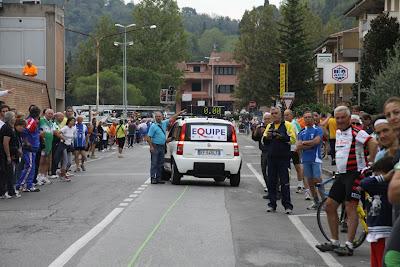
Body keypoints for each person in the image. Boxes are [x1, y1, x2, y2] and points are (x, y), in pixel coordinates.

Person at [316, 106, 378, 256]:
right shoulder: (338, 132)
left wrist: (370, 162)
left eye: (343, 117)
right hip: (342, 175)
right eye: (337, 118)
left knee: (351, 208)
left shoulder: (357, 132)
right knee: (330, 206)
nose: (340, 120)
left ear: (349, 118)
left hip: (355, 174)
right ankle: (335, 242)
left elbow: (373, 144)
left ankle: (349, 245)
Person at [360, 156, 394, 267]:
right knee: (375, 258)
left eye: (377, 174)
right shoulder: (378, 184)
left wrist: (384, 178)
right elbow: (365, 182)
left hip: (383, 229)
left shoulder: (385, 185)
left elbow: (365, 183)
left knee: (381, 259)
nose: (375, 177)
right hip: (374, 227)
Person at [262, 107, 296, 214]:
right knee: (271, 182)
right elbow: (264, 141)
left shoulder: (288, 125)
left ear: (280, 114)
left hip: (283, 159)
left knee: (284, 182)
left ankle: (287, 205)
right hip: (271, 159)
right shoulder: (269, 126)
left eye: (276, 113)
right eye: (272, 113)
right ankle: (272, 204)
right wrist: (267, 137)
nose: (274, 115)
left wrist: (281, 137)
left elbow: (293, 140)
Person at [146, 110, 185, 184]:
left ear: (162, 117)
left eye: (159, 116)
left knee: (161, 163)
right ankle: (153, 178)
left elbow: (172, 118)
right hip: (155, 146)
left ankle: (158, 178)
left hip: (162, 146)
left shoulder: (164, 123)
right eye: (157, 116)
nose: (158, 118)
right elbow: (148, 137)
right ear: (155, 117)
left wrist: (180, 113)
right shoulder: (153, 126)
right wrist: (151, 147)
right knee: (154, 163)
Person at [296, 111, 325, 210]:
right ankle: (316, 202)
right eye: (305, 117)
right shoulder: (302, 132)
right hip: (306, 160)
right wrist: (309, 144)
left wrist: (304, 144)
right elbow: (298, 146)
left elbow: (316, 142)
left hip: (316, 159)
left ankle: (324, 201)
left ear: (313, 118)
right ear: (303, 119)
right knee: (310, 182)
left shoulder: (318, 130)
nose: (307, 119)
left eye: (309, 117)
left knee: (317, 179)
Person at [16, 105, 41, 192]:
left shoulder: (32, 121)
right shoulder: (31, 121)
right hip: (30, 148)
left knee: (32, 166)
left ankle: (29, 185)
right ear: (37, 114)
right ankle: (21, 184)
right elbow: (25, 130)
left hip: (33, 148)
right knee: (29, 166)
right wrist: (26, 142)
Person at [284, 109, 306, 197]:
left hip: (295, 149)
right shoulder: (284, 124)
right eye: (285, 115)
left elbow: (299, 135)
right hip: (286, 149)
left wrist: (298, 147)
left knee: (297, 167)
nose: (286, 117)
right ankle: (286, 184)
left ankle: (300, 185)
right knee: (286, 167)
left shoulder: (295, 123)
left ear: (291, 116)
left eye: (287, 115)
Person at [0, 111, 21, 198]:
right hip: (5, 154)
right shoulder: (7, 128)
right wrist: (8, 156)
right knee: (7, 173)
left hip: (12, 152)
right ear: (10, 118)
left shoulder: (11, 128)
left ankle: (11, 191)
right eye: (13, 117)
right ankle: (4, 192)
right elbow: (5, 143)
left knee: (10, 173)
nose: (15, 118)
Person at [252, 112, 271, 197]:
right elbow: (255, 138)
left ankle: (275, 190)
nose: (267, 120)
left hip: (272, 152)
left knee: (272, 172)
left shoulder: (273, 127)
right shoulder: (261, 127)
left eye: (268, 118)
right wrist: (256, 129)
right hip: (264, 152)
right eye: (265, 119)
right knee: (264, 171)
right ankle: (268, 188)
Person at [37, 109, 55, 185]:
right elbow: (37, 131)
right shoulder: (41, 120)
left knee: (47, 160)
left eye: (52, 114)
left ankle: (44, 175)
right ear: (45, 114)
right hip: (42, 144)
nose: (50, 115)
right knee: (42, 160)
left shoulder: (51, 122)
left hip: (49, 143)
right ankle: (39, 176)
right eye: (49, 113)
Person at [50, 112, 65, 178]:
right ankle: (53, 172)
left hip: (59, 142)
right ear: (57, 117)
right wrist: (63, 138)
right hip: (54, 141)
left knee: (58, 157)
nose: (62, 118)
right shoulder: (53, 123)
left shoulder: (57, 124)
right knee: (55, 156)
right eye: (61, 116)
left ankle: (56, 170)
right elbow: (55, 132)